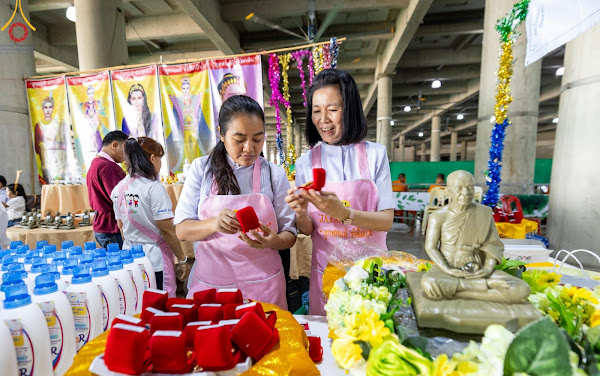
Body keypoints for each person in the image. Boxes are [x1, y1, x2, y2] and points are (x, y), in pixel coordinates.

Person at [285, 69, 395, 315]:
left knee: (369, 330)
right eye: (316, 111)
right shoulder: (305, 163)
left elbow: (386, 220)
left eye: (332, 109)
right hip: (326, 272)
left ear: (350, 109)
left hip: (369, 270)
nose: (323, 119)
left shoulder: (375, 155)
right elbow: (308, 230)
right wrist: (300, 213)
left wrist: (344, 214)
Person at [174, 95, 296, 309]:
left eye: (257, 139)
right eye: (239, 140)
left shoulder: (273, 174)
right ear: (221, 134)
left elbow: (290, 235)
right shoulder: (201, 169)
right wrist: (214, 223)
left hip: (264, 285)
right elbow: (182, 230)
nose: (249, 148)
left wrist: (273, 241)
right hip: (213, 286)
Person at [421, 170, 530, 302]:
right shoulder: (438, 216)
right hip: (447, 268)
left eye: (470, 187)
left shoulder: (484, 212)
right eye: (459, 188)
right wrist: (447, 270)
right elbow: (431, 248)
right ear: (449, 190)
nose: (466, 192)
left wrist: (488, 268)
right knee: (429, 283)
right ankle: (481, 286)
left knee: (521, 289)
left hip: (478, 268)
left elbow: (493, 244)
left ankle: (461, 291)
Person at [111, 137, 187, 296]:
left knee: (138, 300)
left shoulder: (118, 188)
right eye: (160, 158)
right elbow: (167, 229)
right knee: (159, 301)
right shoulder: (153, 188)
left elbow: (120, 226)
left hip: (130, 257)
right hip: (154, 258)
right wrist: (182, 259)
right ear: (153, 158)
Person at [87, 130, 128, 248]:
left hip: (103, 225)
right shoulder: (108, 167)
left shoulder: (96, 162)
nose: (126, 156)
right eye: (125, 150)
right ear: (114, 145)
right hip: (112, 226)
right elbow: (120, 198)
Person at [168, 76, 213, 171]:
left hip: (194, 128)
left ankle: (197, 168)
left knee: (195, 147)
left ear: (190, 88)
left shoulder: (195, 99)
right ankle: (189, 167)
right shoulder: (178, 100)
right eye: (184, 88)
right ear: (181, 89)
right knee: (187, 148)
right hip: (184, 129)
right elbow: (176, 116)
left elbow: (199, 114)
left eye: (187, 88)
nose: (185, 90)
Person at [34, 92, 70, 184]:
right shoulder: (38, 125)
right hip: (47, 164)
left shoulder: (60, 123)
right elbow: (37, 148)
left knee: (63, 185)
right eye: (45, 107)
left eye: (50, 107)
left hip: (61, 163)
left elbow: (67, 143)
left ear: (53, 108)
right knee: (50, 186)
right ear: (42, 109)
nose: (48, 110)